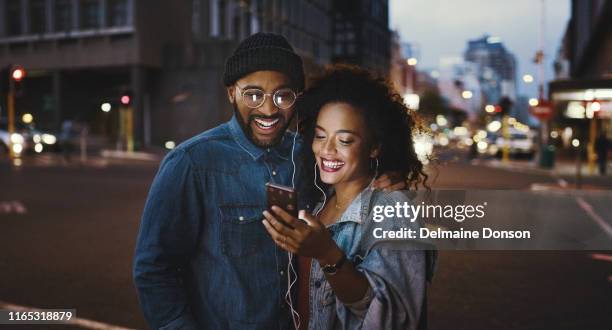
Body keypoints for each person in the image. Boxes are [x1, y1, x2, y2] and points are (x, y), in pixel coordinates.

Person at [133, 33, 406, 329]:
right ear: (231, 93)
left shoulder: (309, 156)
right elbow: (154, 268)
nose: (268, 109)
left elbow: (352, 181)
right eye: (253, 94)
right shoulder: (191, 163)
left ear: (296, 97)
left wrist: (385, 176)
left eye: (283, 95)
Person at [262, 65, 436, 330]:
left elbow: (394, 318)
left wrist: (326, 252)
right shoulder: (320, 202)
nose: (327, 150)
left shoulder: (392, 209)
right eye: (320, 136)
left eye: (344, 140)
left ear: (374, 147)